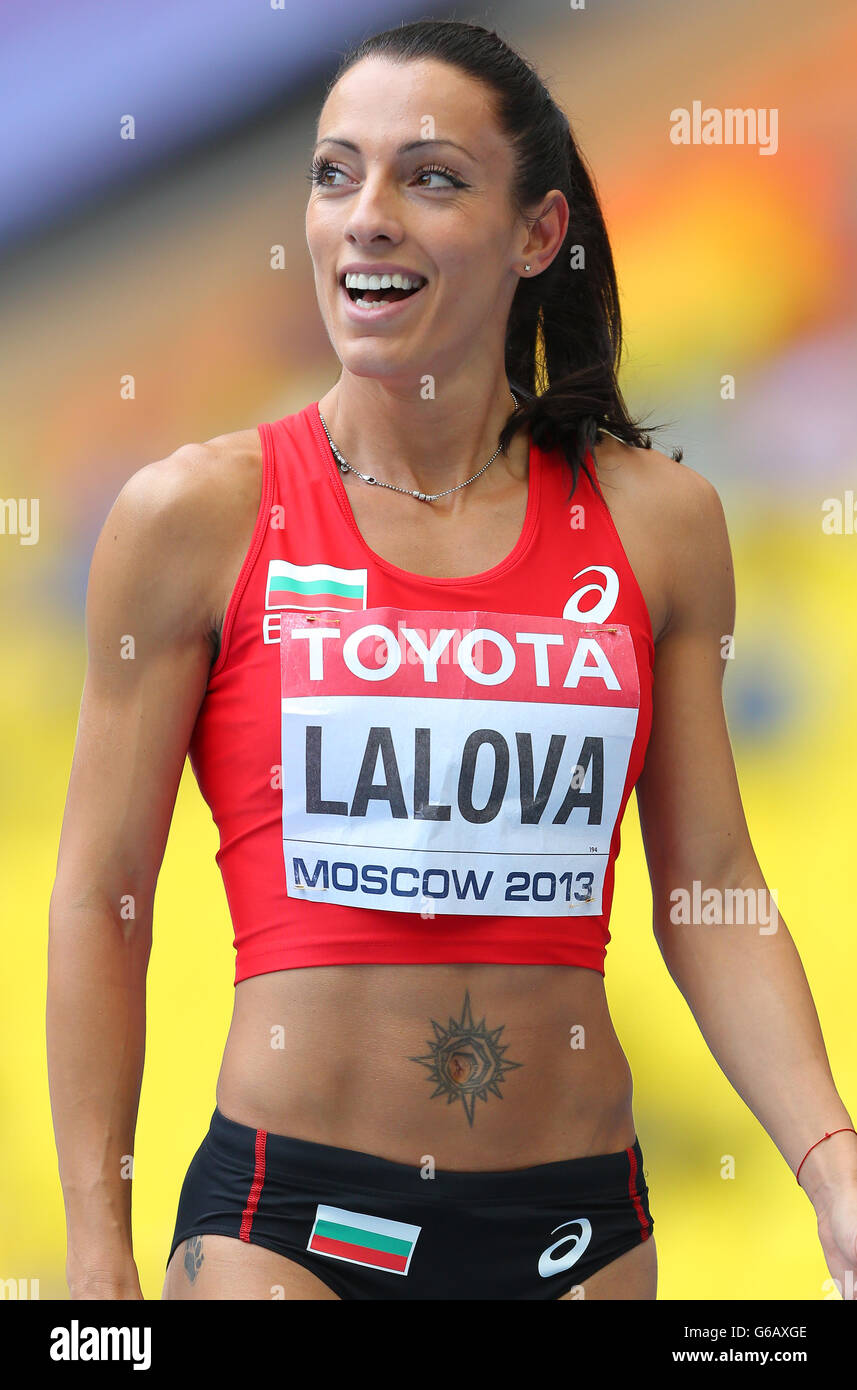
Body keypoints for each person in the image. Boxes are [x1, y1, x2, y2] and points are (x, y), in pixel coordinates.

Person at [47, 19, 857, 1302]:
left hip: (576, 1226)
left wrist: (831, 1165)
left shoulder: (659, 523)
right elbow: (101, 895)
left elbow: (707, 880)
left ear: (536, 234)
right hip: (289, 1224)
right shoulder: (192, 516)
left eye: (427, 177)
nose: (365, 215)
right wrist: (97, 1252)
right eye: (334, 173)